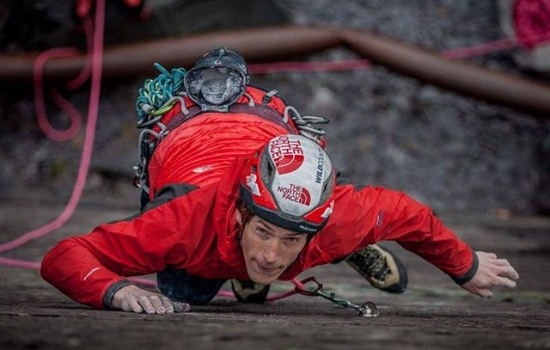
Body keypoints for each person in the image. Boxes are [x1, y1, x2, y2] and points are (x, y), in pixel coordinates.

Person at [40, 48, 519, 315]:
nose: (271, 253)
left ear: (320, 221)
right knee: (186, 294)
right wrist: (117, 291)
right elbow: (65, 256)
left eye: (290, 237)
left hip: (279, 154)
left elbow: (411, 216)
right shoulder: (180, 222)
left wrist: (466, 264)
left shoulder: (338, 217)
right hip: (197, 167)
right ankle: (278, 261)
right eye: (263, 231)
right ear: (240, 211)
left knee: (313, 236)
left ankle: (344, 246)